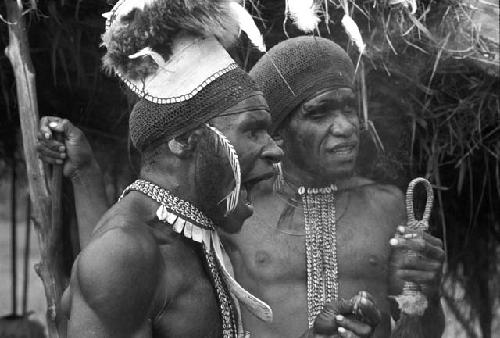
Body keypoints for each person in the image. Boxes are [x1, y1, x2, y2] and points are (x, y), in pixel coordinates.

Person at [37, 2, 382, 338]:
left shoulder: (192, 237)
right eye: (252, 130)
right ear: (185, 141)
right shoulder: (126, 254)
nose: (275, 150)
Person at [216, 36, 445, 337]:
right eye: (320, 112)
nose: (346, 127)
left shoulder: (388, 206)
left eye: (349, 109)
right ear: (279, 131)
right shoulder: (236, 213)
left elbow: (421, 331)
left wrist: (425, 295)